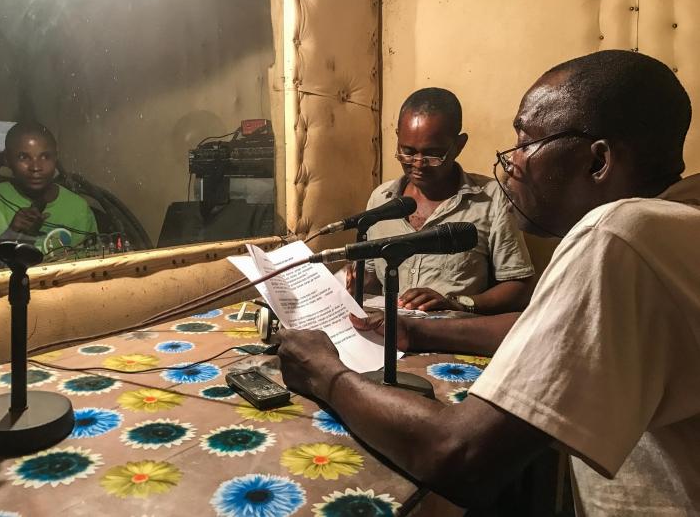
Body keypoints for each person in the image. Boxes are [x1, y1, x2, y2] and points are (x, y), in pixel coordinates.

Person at [277, 50, 700, 514]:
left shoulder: (619, 234)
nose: (513, 162)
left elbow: (459, 454)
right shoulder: (678, 221)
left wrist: (325, 373)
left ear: (598, 161)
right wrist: (416, 328)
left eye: (525, 140)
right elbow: (545, 331)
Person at [351, 87, 535, 315]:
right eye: (407, 151)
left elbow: (520, 287)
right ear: (398, 136)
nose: (418, 163)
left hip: (452, 339)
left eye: (433, 154)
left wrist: (456, 302)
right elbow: (370, 277)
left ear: (458, 146)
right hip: (389, 337)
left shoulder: (492, 199)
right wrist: (354, 281)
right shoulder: (381, 199)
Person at [0, 122, 97, 260]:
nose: (36, 167)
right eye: (23, 157)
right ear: (7, 159)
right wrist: (12, 233)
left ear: (56, 157)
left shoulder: (78, 207)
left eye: (45, 157)